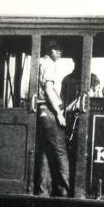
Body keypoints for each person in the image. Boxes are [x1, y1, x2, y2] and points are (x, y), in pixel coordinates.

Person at [34, 40, 70, 197]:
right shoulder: (49, 65)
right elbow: (49, 90)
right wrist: (59, 113)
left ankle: (43, 191)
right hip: (49, 110)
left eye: (60, 48)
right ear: (49, 50)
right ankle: (65, 191)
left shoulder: (45, 63)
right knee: (61, 151)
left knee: (46, 151)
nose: (59, 51)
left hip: (44, 110)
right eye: (55, 48)